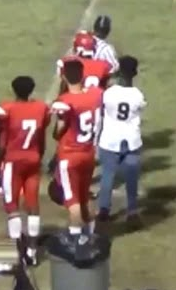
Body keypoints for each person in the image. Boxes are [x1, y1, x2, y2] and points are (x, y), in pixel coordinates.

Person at [0, 75, 50, 261]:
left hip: (13, 161)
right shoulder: (41, 108)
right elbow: (41, 138)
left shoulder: (7, 108)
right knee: (33, 205)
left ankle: (16, 251)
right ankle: (32, 251)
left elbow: (1, 142)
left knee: (12, 205)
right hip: (33, 158)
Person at [51, 60, 102, 240]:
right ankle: (91, 236)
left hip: (70, 155)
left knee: (73, 201)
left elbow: (59, 130)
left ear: (64, 76)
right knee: (85, 195)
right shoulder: (95, 95)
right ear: (83, 75)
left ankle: (77, 242)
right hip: (88, 153)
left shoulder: (65, 101)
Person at [96, 56, 145, 226]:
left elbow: (103, 111)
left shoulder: (109, 93)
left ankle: (103, 209)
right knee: (132, 177)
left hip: (109, 138)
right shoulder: (137, 95)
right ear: (135, 73)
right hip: (131, 139)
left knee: (107, 175)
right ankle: (132, 210)